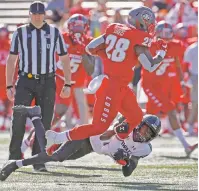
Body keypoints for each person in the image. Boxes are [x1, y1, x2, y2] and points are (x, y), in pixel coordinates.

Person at [45, 6, 168, 157]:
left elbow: (90, 48)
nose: (151, 28)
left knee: (136, 117)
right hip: (112, 87)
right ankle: (56, 137)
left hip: (120, 86)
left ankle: (116, 147)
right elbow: (150, 66)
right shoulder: (138, 37)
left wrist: (108, 56)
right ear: (142, 22)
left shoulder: (114, 28)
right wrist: (162, 53)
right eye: (149, 24)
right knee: (98, 127)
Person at [0, 105, 161, 181]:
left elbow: (128, 172)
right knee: (56, 156)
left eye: (149, 134)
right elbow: (107, 133)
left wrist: (126, 161)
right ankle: (15, 164)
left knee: (54, 155)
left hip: (91, 147)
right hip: (89, 135)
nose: (144, 135)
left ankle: (35, 116)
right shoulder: (126, 122)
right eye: (145, 129)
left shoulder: (144, 148)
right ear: (139, 124)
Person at [6, 1, 71, 172]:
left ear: (44, 14)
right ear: (29, 14)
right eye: (34, 13)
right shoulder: (20, 32)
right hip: (25, 81)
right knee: (18, 120)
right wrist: (9, 85)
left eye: (40, 13)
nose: (37, 16)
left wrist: (68, 83)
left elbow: (64, 58)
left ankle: (38, 160)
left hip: (48, 81)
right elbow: (12, 60)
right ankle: (13, 158)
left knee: (44, 123)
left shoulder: (54, 32)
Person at [141, 21, 198, 156]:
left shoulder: (175, 46)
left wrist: (182, 83)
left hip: (163, 86)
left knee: (148, 115)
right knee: (171, 111)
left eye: (168, 33)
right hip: (151, 86)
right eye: (163, 33)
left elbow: (177, 64)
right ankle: (186, 145)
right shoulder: (151, 46)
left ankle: (131, 140)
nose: (166, 36)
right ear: (157, 33)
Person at [183, 42, 198, 136]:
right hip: (195, 77)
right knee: (195, 103)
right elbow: (186, 65)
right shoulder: (192, 48)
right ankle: (191, 126)